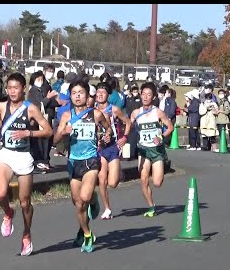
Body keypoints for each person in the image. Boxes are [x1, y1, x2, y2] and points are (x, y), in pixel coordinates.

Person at [0, 73, 53, 256]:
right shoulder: (2, 106)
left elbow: (48, 131)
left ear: (23, 88)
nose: (12, 91)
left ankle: (26, 234)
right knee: (1, 194)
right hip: (7, 155)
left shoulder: (31, 109)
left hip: (24, 156)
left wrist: (29, 133)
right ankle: (8, 212)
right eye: (9, 87)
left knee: (25, 202)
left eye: (15, 87)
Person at [53, 78, 112, 253]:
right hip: (73, 162)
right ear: (70, 96)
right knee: (78, 204)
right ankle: (87, 234)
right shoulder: (66, 116)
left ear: (87, 96)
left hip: (91, 160)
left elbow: (108, 129)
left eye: (81, 93)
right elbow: (55, 140)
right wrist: (64, 131)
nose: (77, 96)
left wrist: (107, 135)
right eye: (74, 93)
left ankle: (93, 201)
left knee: (85, 197)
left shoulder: (96, 114)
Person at [130, 82, 173, 217]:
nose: (145, 97)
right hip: (143, 149)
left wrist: (161, 136)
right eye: (143, 94)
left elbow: (170, 127)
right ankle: (151, 206)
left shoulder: (158, 112)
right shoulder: (136, 113)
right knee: (143, 178)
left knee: (157, 182)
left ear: (153, 97)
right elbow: (128, 127)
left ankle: (161, 168)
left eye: (149, 95)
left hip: (156, 150)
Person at [95, 82, 131, 219]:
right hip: (99, 149)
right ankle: (107, 208)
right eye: (98, 92)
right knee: (102, 179)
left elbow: (128, 122)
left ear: (108, 95)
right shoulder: (92, 110)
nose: (99, 94)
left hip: (113, 148)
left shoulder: (114, 109)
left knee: (113, 183)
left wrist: (125, 137)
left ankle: (118, 172)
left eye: (103, 92)